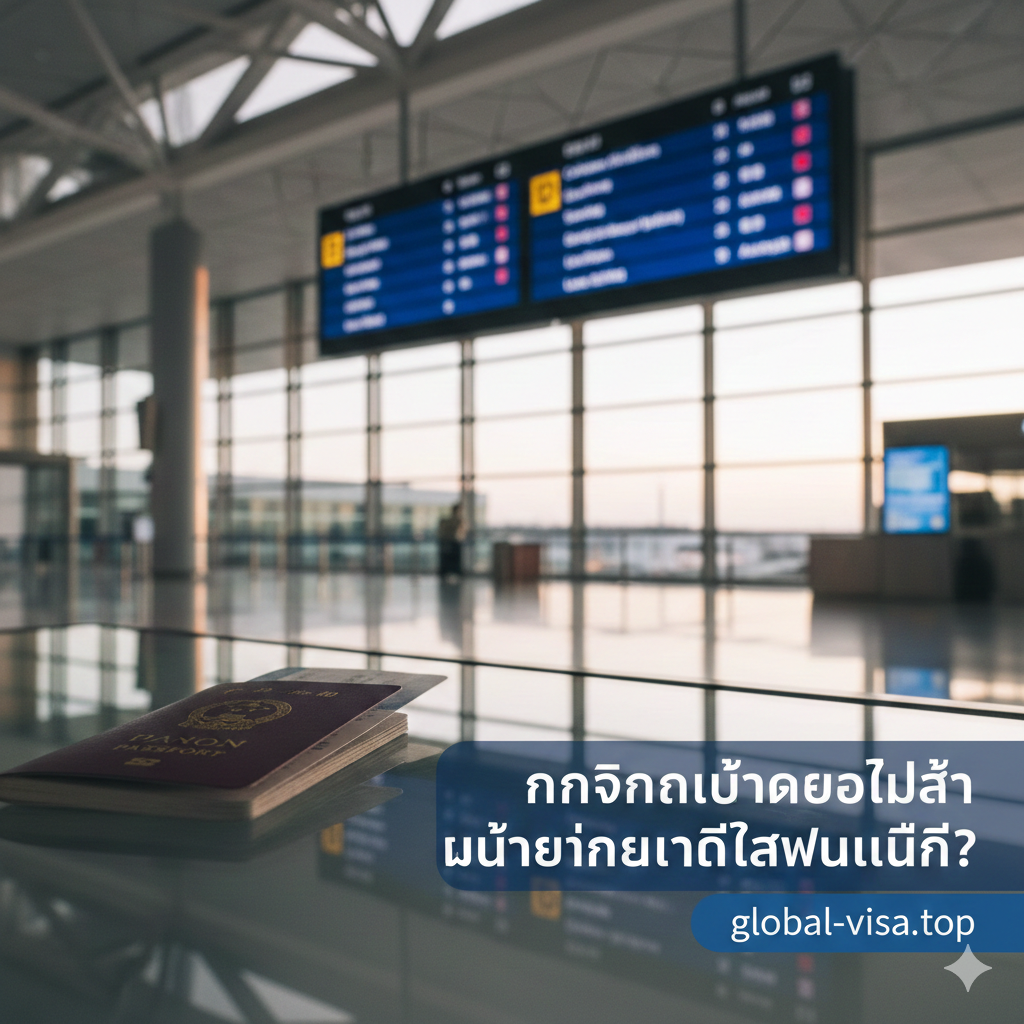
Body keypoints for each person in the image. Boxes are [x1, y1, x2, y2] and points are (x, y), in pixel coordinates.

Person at [437, 501, 467, 578]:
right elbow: (462, 532)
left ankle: (449, 574)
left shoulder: (448, 521)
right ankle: (452, 574)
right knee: (452, 561)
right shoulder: (457, 521)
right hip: (453, 543)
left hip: (449, 542)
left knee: (449, 561)